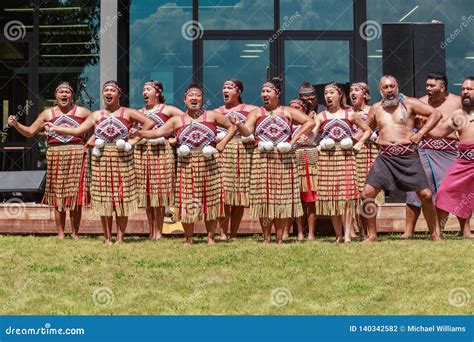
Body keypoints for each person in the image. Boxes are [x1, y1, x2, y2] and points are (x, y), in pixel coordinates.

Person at [45, 80, 154, 244]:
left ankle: (120, 238)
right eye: (106, 90)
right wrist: (57, 128)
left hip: (122, 159)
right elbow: (77, 130)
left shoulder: (127, 112)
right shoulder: (97, 115)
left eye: (112, 90)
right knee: (105, 198)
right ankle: (107, 237)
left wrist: (133, 140)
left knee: (121, 197)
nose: (108, 93)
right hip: (101, 159)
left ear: (119, 94)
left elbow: (150, 122)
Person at [136, 83, 232, 245]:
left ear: (202, 99)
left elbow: (232, 126)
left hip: (210, 162)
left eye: (198, 95)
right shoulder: (176, 120)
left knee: (211, 199)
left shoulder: (212, 115)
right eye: (191, 96)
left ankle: (210, 238)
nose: (194, 98)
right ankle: (189, 239)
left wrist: (222, 143)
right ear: (185, 100)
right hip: (186, 164)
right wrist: (139, 133)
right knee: (187, 200)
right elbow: (157, 133)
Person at [231, 77, 315, 244]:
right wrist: (239, 124)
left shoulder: (287, 111)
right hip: (262, 158)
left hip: (284, 158)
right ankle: (266, 237)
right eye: (262, 91)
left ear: (277, 93)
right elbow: (247, 132)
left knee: (282, 198)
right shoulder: (256, 113)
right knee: (264, 198)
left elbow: (310, 122)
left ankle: (280, 237)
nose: (264, 94)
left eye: (268, 91)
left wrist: (293, 140)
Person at [361, 75, 442, 242]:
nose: (390, 90)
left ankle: (435, 234)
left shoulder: (410, 103)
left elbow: (435, 114)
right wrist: (358, 137)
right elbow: (367, 128)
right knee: (366, 194)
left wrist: (420, 133)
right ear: (380, 90)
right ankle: (372, 235)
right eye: (386, 87)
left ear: (397, 87)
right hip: (385, 157)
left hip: (408, 155)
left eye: (392, 86)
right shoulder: (376, 108)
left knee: (426, 195)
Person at [8, 81, 92, 239]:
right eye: (61, 92)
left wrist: (90, 141)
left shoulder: (83, 112)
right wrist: (17, 124)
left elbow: (98, 124)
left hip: (77, 153)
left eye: (67, 92)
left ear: (72, 95)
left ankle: (75, 233)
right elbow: (30, 131)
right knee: (58, 195)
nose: (64, 94)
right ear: (56, 95)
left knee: (75, 195)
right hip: (55, 154)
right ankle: (60, 233)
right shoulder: (47, 114)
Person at [403, 72, 470, 238]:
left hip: (452, 152)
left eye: (432, 85)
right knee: (417, 187)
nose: (428, 88)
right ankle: (411, 231)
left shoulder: (458, 103)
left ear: (442, 86)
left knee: (459, 191)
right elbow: (414, 125)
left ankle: (465, 230)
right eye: (427, 85)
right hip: (426, 149)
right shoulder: (421, 103)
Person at [314, 83, 371, 243]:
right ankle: (338, 235)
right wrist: (310, 138)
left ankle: (347, 235)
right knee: (332, 197)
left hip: (346, 157)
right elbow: (313, 133)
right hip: (327, 158)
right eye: (325, 93)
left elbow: (367, 129)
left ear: (340, 95)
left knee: (346, 197)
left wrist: (358, 142)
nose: (328, 96)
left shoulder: (350, 114)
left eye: (331, 92)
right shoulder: (321, 116)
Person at [134, 80, 185, 240]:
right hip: (142, 152)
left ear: (158, 92)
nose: (144, 92)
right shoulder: (139, 111)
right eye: (143, 89)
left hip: (162, 152)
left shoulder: (168, 109)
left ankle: (159, 230)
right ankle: (151, 230)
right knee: (147, 192)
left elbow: (187, 121)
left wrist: (176, 138)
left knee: (160, 191)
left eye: (148, 89)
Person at [213, 79, 259, 240]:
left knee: (239, 194)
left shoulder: (251, 110)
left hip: (242, 152)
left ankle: (234, 232)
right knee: (223, 192)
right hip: (223, 153)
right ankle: (223, 233)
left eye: (230, 88)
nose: (225, 90)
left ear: (238, 92)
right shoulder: (216, 111)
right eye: (224, 87)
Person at [431, 76, 474, 238]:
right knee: (444, 192)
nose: (465, 92)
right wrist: (422, 126)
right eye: (463, 89)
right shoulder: (459, 114)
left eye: (469, 89)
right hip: (463, 162)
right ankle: (437, 232)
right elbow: (439, 133)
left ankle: (466, 231)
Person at [350, 82, 383, 239]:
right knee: (354, 192)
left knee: (368, 192)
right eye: (350, 90)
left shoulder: (373, 110)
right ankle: (356, 230)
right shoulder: (348, 112)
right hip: (351, 154)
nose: (352, 93)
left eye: (357, 90)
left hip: (371, 153)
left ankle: (369, 230)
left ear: (367, 95)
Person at [285, 97, 319, 241]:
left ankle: (310, 232)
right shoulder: (287, 125)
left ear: (304, 110)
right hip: (292, 161)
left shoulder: (311, 123)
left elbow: (312, 136)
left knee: (310, 199)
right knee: (296, 198)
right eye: (291, 107)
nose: (293, 110)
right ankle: (298, 231)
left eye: (297, 108)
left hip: (308, 160)